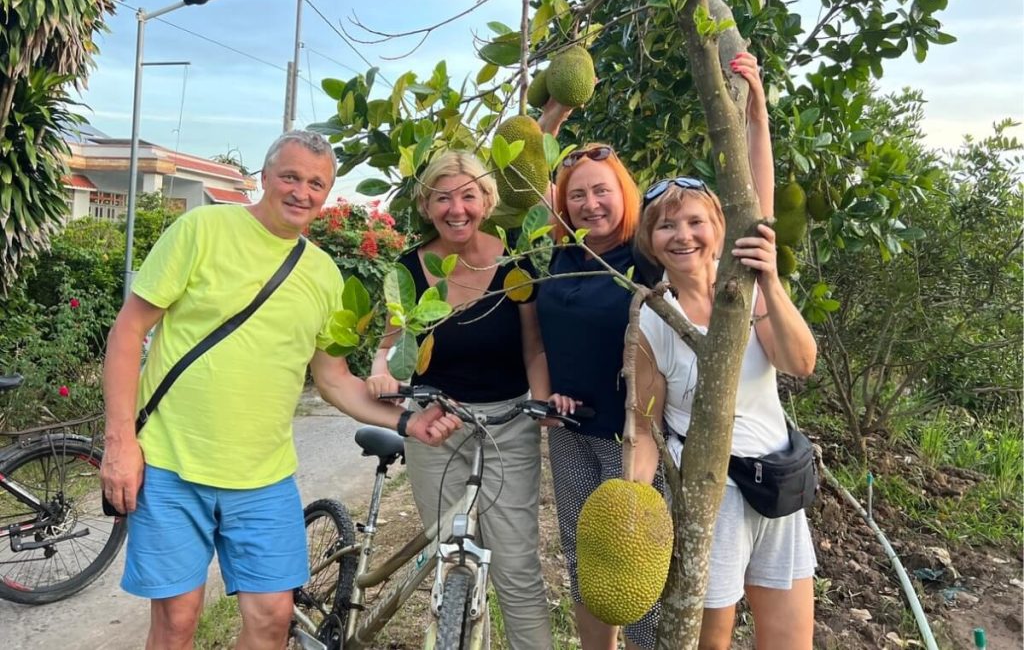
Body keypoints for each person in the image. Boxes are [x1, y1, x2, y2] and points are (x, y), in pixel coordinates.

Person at [100, 130, 460, 650]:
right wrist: (119, 443)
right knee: (177, 622)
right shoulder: (201, 229)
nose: (302, 192)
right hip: (171, 464)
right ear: (265, 178)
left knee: (271, 620)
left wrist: (407, 422)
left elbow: (333, 378)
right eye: (290, 177)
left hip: (263, 478)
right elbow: (127, 332)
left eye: (316, 183)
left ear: (327, 192)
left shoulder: (324, 275)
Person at [537, 52, 774, 650]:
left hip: (634, 434)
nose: (590, 204)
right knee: (586, 563)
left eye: (603, 192)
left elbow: (751, 213)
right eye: (577, 196)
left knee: (642, 566)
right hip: (569, 431)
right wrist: (556, 112)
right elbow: (519, 175)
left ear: (625, 197)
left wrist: (756, 120)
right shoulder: (562, 252)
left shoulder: (645, 255)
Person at [365, 151, 559, 650]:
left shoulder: (514, 261)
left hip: (508, 426)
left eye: (468, 195)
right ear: (427, 205)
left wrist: (541, 406)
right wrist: (380, 371)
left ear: (487, 200)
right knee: (449, 554)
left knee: (516, 567)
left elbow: (533, 345)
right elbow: (391, 343)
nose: (457, 208)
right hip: (437, 423)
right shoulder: (409, 266)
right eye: (443, 197)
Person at [633, 175, 818, 649]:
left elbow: (800, 363)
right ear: (650, 242)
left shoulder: (748, 292)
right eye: (666, 226)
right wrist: (635, 505)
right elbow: (645, 424)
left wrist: (771, 282)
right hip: (711, 494)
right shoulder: (652, 319)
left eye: (696, 222)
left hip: (777, 481)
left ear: (719, 228)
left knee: (790, 637)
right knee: (709, 639)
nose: (682, 236)